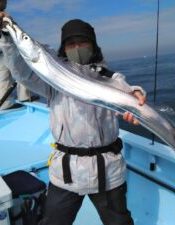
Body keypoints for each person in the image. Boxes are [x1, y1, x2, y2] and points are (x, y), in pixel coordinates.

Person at [0, 12, 146, 225]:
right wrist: (6, 37)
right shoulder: (53, 81)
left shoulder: (110, 79)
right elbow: (23, 74)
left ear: (93, 45)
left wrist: (136, 97)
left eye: (82, 42)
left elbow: (127, 92)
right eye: (71, 43)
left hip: (108, 172)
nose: (77, 48)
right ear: (64, 49)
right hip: (65, 173)